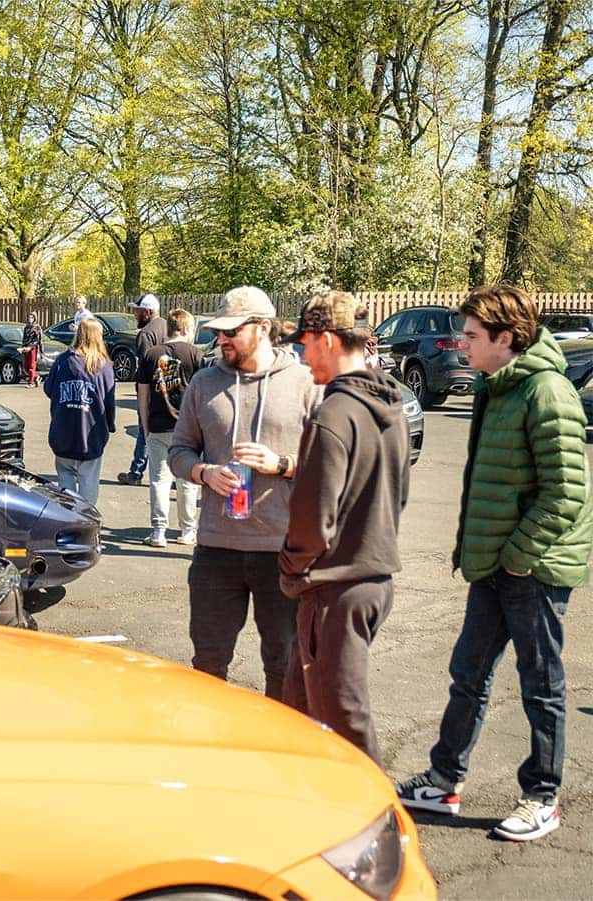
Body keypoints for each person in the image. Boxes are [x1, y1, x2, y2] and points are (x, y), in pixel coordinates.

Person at [395, 285, 593, 843]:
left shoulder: (547, 392)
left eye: (473, 336)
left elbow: (566, 492)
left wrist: (520, 559)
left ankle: (542, 796)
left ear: (507, 339)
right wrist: (493, 557)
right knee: (469, 675)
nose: (462, 344)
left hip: (532, 569)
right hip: (496, 565)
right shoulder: (496, 385)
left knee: (541, 684)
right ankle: (442, 781)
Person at [277, 291, 410, 765]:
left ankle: (377, 818)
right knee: (300, 709)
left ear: (329, 340)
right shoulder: (391, 407)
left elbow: (313, 517)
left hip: (336, 587)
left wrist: (291, 564)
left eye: (306, 343)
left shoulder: (334, 413)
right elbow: (398, 494)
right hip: (371, 578)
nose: (301, 353)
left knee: (342, 716)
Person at [168, 286, 319, 699]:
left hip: (282, 550)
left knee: (284, 665)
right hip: (216, 548)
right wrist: (203, 472)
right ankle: (213, 751)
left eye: (232, 331)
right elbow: (178, 450)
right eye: (220, 331)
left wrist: (282, 465)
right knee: (208, 664)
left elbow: (330, 464)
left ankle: (277, 755)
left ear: (263, 328)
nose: (222, 339)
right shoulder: (204, 383)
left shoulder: (305, 383)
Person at [135, 309, 203, 547]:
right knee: (187, 481)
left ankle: (158, 531)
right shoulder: (196, 355)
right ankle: (187, 530)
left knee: (159, 480)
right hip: (188, 429)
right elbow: (202, 395)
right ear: (185, 329)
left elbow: (142, 395)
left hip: (157, 424)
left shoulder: (151, 355)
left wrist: (144, 426)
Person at [44, 317, 116, 505]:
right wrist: (110, 425)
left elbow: (49, 390)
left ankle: (67, 523)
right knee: (88, 487)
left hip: (63, 433)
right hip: (91, 435)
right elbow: (109, 401)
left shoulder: (63, 361)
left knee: (65, 489)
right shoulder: (104, 366)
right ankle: (85, 525)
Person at [118, 293, 167, 486]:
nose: (135, 315)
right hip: (170, 389)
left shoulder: (145, 334)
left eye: (137, 311)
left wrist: (143, 395)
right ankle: (171, 474)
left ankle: (136, 473)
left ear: (147, 311)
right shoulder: (166, 326)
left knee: (145, 431)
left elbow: (145, 367)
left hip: (151, 390)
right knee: (168, 433)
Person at [21, 312, 44, 387]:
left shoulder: (37, 327)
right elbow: (24, 338)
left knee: (31, 365)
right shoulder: (26, 327)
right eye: (29, 317)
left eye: (32, 317)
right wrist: (23, 347)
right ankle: (36, 377)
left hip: (33, 348)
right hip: (26, 348)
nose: (30, 319)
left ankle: (31, 382)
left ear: (35, 318)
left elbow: (38, 340)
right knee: (25, 366)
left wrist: (32, 347)